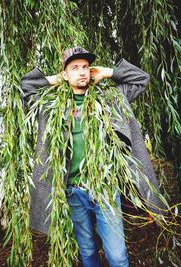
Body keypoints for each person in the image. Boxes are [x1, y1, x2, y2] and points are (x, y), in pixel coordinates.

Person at [21, 46, 166, 267]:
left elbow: (141, 79)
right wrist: (55, 80)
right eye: (74, 68)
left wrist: (108, 72)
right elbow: (26, 87)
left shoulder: (110, 99)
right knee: (87, 250)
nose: (82, 72)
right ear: (65, 74)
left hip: (105, 190)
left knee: (117, 256)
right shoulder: (51, 106)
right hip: (74, 192)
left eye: (86, 67)